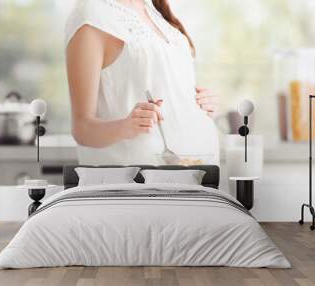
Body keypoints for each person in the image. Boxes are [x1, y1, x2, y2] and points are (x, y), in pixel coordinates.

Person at [66, 0, 219, 165]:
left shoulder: (154, 12)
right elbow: (82, 128)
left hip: (196, 173)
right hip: (139, 182)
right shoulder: (92, 15)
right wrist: (125, 127)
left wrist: (204, 104)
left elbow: (170, 88)